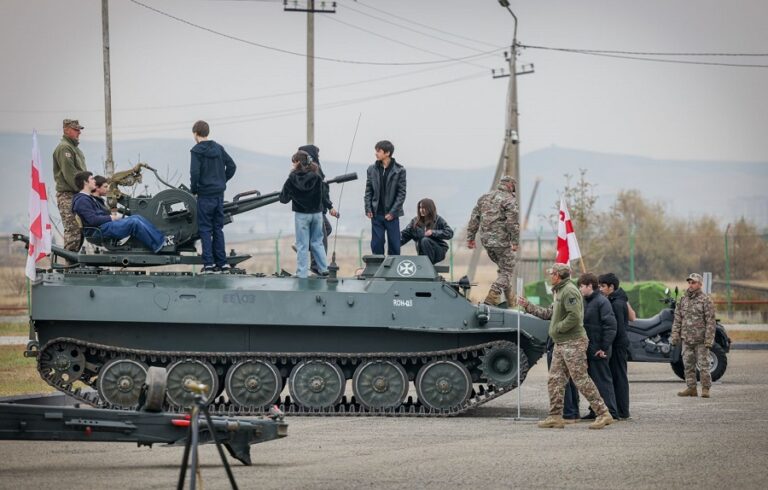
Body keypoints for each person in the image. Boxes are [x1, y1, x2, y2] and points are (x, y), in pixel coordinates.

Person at [517, 263, 614, 430]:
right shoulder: (560, 291)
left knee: (580, 379)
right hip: (561, 343)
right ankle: (555, 416)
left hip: (573, 342)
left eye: (552, 273)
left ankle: (603, 413)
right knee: (554, 380)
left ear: (558, 275)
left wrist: (557, 328)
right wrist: (527, 306)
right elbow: (548, 313)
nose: (549, 276)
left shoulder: (569, 291)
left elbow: (575, 317)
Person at [71, 171, 168, 253]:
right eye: (91, 179)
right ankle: (158, 246)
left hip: (104, 226)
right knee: (134, 223)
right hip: (98, 231)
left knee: (136, 217)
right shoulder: (82, 200)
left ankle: (162, 240)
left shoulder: (88, 198)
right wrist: (111, 218)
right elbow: (92, 220)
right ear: (85, 182)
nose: (94, 181)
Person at [279, 150, 337, 278]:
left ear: (298, 162)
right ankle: (323, 269)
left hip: (301, 215)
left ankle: (302, 272)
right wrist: (329, 206)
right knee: (318, 242)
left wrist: (291, 194)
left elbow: (283, 199)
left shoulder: (292, 178)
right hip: (317, 214)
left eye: (293, 162)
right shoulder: (316, 177)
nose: (292, 165)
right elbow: (323, 195)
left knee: (302, 245)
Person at [190, 120, 237, 274]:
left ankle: (209, 264)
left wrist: (194, 189)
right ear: (207, 132)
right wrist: (222, 180)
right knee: (218, 228)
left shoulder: (196, 151)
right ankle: (222, 264)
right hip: (218, 195)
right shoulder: (218, 148)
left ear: (196, 134)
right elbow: (232, 166)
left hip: (204, 195)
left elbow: (194, 173)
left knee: (205, 229)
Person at [466, 175, 520, 306]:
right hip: (501, 242)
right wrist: (515, 241)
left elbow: (474, 219)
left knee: (503, 269)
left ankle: (511, 301)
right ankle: (493, 295)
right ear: (510, 185)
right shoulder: (509, 200)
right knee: (507, 271)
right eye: (513, 186)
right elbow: (512, 223)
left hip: (486, 242)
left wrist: (470, 238)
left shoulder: (484, 198)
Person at [575, 272, 618, 420]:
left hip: (599, 350)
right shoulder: (586, 301)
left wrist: (604, 348)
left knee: (603, 382)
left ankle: (610, 412)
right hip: (589, 349)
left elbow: (611, 326)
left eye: (581, 286)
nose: (580, 289)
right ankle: (596, 411)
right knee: (593, 383)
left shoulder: (602, 302)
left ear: (589, 286)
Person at [670, 273, 716, 398]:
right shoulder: (683, 299)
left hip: (701, 340)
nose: (691, 285)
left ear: (700, 284)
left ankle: (705, 389)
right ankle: (691, 388)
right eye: (689, 282)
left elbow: (711, 322)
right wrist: (675, 335)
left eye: (694, 282)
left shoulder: (706, 300)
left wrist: (708, 339)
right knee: (688, 365)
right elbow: (677, 319)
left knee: (703, 365)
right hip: (686, 339)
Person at [298, 144, 338, 274]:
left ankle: (307, 244)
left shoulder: (313, 167)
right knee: (321, 240)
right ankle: (317, 268)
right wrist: (330, 206)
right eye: (317, 153)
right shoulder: (311, 168)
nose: (318, 156)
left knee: (327, 229)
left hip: (318, 208)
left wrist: (329, 206)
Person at [598, 272, 632, 419]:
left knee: (619, 378)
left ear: (611, 287)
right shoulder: (617, 299)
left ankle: (623, 411)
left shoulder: (617, 303)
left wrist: (606, 346)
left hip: (618, 345)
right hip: (617, 344)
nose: (600, 288)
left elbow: (616, 328)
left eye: (603, 286)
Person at [364, 140, 406, 256]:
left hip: (392, 215)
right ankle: (377, 271)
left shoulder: (400, 170)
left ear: (387, 153)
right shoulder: (371, 169)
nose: (376, 153)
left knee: (394, 245)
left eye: (378, 151)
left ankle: (392, 272)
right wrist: (368, 208)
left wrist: (392, 212)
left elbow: (401, 194)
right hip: (376, 214)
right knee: (377, 244)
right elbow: (368, 191)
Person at [53, 119, 88, 253]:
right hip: (68, 196)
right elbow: (71, 175)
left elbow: (82, 174)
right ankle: (70, 266)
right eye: (75, 129)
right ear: (66, 130)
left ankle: (73, 263)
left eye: (79, 129)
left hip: (77, 195)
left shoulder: (75, 150)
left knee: (81, 231)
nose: (79, 132)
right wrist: (86, 191)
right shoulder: (64, 148)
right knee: (73, 231)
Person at [400, 198, 453, 264]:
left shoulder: (438, 219)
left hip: (438, 250)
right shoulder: (414, 222)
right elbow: (405, 235)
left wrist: (433, 232)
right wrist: (394, 242)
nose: (421, 210)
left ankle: (429, 267)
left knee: (425, 240)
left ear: (430, 208)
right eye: (420, 207)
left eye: (424, 208)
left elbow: (449, 233)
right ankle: (427, 266)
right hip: (422, 253)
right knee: (423, 241)